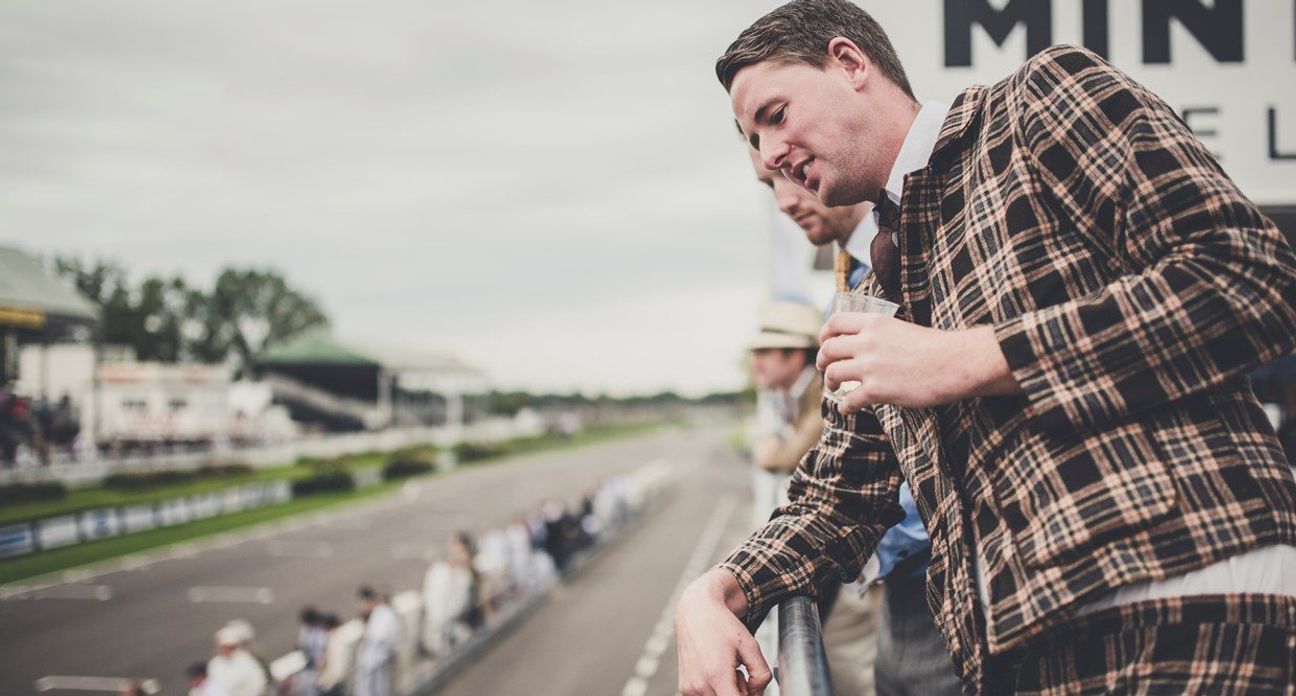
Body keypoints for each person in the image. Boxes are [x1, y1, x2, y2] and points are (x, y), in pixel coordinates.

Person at [676, 1, 1296, 694]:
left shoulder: (1038, 100)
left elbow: (1248, 276)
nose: (770, 156)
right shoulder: (879, 271)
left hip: (1182, 595)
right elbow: (842, 494)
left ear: (850, 63)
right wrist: (715, 591)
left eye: (775, 115)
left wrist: (970, 359)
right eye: (753, 142)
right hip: (1019, 657)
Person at [746, 133, 958, 696]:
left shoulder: (919, 255)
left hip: (942, 562)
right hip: (900, 571)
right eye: (770, 185)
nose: (787, 200)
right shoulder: (845, 289)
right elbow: (855, 457)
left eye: (792, 174)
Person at [354, 585, 400, 696]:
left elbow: (381, 636)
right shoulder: (377, 614)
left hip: (378, 659)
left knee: (377, 689)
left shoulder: (384, 613)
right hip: (373, 660)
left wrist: (365, 631)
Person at [206, 627, 266, 696]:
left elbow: (258, 680)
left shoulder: (245, 659)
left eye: (227, 647)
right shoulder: (215, 664)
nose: (224, 650)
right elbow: (215, 686)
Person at [314, 614, 350, 696]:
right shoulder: (333, 638)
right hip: (332, 683)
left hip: (334, 684)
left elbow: (338, 667)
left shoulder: (338, 640)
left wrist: (330, 683)